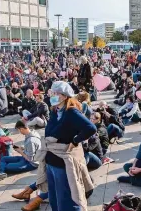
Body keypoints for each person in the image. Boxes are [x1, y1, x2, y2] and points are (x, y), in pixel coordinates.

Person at [34, 81, 96, 211]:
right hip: (51, 160)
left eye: (55, 93)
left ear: (64, 95)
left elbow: (90, 128)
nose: (52, 96)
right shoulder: (55, 110)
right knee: (54, 199)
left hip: (62, 163)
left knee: (66, 201)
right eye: (52, 93)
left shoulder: (71, 112)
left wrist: (75, 141)